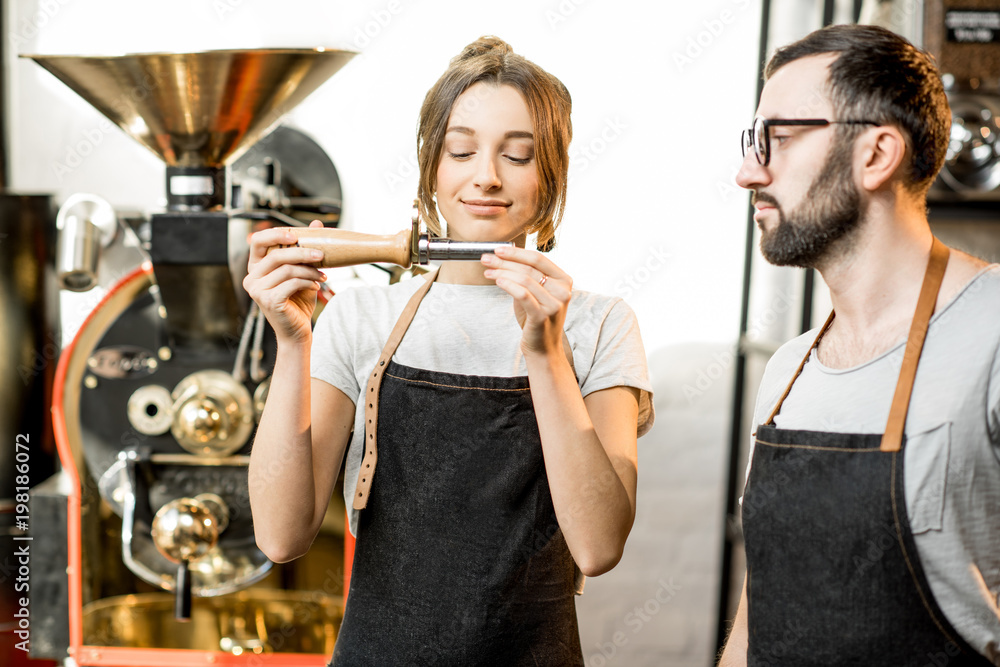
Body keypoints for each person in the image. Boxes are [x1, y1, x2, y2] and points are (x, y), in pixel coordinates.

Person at [245, 36, 654, 665]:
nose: (486, 176)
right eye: (461, 150)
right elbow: (280, 535)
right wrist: (293, 343)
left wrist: (546, 354)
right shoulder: (360, 318)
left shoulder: (598, 325)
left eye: (518, 155)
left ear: (552, 178)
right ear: (431, 166)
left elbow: (598, 547)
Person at [719, 24, 1000, 666]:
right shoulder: (790, 371)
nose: (746, 172)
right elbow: (754, 619)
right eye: (751, 142)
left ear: (875, 155)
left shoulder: (992, 332)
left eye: (779, 141)